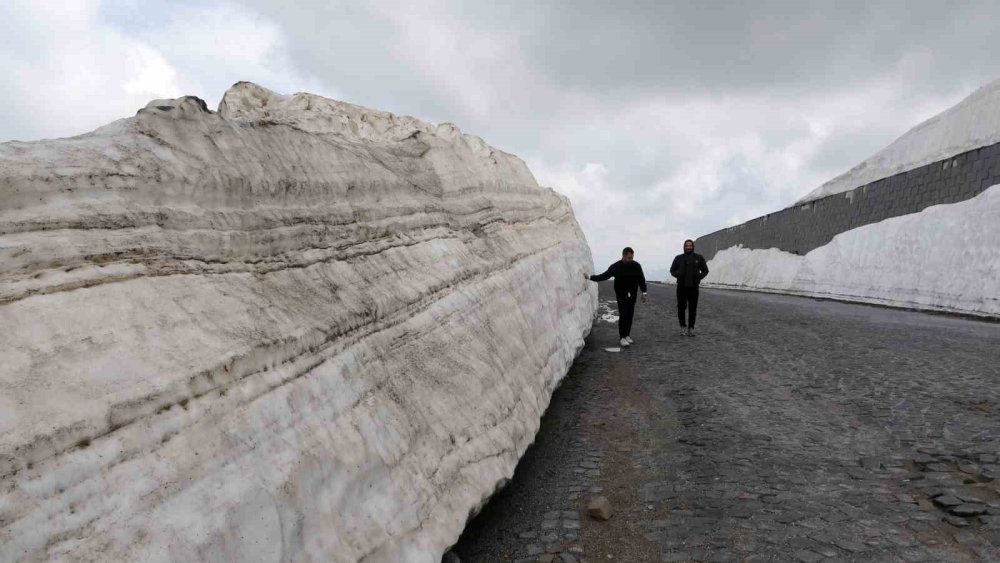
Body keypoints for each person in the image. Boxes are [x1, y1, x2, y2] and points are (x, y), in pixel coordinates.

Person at [584, 247, 647, 347]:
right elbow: (604, 276)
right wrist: (590, 277)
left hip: (633, 294)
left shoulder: (636, 266)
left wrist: (644, 293)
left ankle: (627, 335)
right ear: (623, 256)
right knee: (623, 314)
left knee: (630, 315)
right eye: (629, 258)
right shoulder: (616, 267)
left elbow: (641, 279)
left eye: (632, 258)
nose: (631, 260)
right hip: (621, 294)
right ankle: (622, 337)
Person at [670, 239, 709, 337]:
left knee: (693, 309)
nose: (688, 247)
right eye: (687, 246)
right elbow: (672, 270)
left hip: (693, 287)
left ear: (693, 247)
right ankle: (683, 327)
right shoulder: (678, 258)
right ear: (684, 247)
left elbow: (705, 270)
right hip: (681, 287)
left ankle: (691, 328)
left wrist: (698, 277)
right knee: (681, 308)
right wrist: (678, 275)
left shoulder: (698, 258)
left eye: (690, 245)